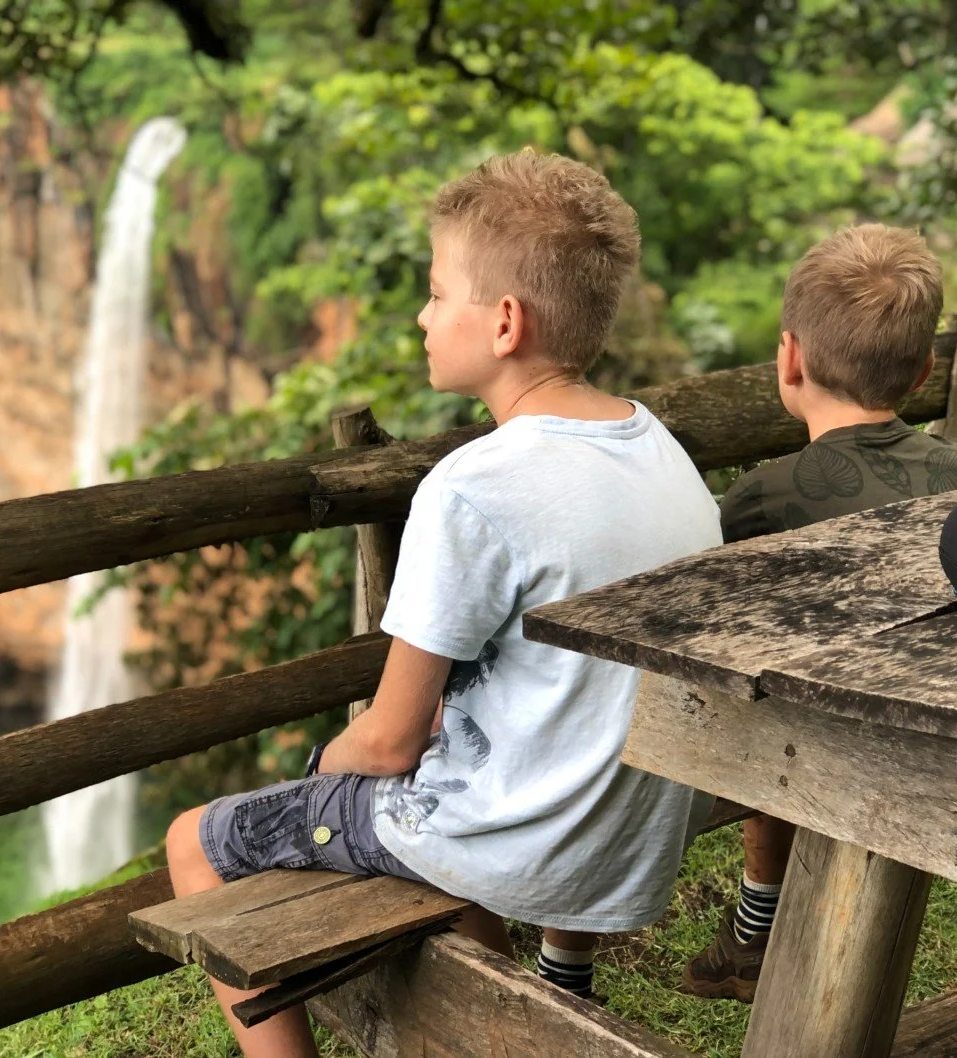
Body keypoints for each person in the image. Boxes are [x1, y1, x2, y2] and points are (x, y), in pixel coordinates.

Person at [165, 150, 722, 1057]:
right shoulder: (653, 445)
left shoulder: (475, 485)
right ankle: (519, 1005)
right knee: (433, 794)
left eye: (435, 293)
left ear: (504, 322)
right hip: (632, 839)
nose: (422, 317)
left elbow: (386, 740)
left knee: (195, 840)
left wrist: (325, 765)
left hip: (531, 844)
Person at [681, 223, 957, 1003]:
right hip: (932, 710)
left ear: (788, 358)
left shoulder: (764, 493)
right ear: (923, 369)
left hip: (811, 736)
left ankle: (756, 923)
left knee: (766, 693)